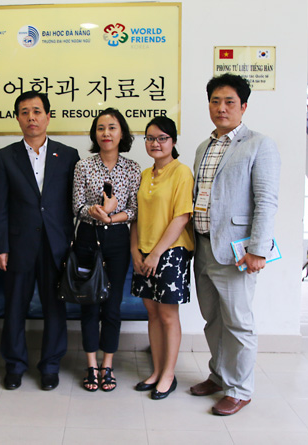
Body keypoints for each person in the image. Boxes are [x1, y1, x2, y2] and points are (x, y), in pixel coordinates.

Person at [191, 73, 280, 415]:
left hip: (237, 253)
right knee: (212, 319)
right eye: (215, 101)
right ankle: (219, 376)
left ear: (243, 106)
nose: (221, 108)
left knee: (238, 322)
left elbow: (266, 200)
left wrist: (258, 250)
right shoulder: (203, 147)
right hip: (203, 247)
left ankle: (240, 390)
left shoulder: (259, 144)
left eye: (229, 102)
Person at [0, 91, 80, 391]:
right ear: (17, 118)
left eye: (37, 111)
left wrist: (72, 242)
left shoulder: (68, 155)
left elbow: (72, 202)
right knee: (15, 307)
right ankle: (15, 366)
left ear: (48, 117)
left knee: (55, 308)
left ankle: (50, 366)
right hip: (19, 245)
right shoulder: (4, 156)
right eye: (25, 112)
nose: (31, 117)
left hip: (57, 245)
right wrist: (0, 245)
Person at [72, 108, 140, 392]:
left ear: (121, 133)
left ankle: (107, 364)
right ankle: (90, 364)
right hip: (88, 237)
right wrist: (94, 211)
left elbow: (134, 209)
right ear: (95, 134)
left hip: (117, 240)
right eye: (100, 128)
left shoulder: (132, 168)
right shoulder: (83, 166)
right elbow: (76, 206)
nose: (106, 133)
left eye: (112, 127)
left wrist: (111, 217)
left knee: (112, 305)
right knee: (89, 302)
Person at [130, 116, 194, 400]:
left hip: (171, 253)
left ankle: (169, 374)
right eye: (150, 138)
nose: (155, 143)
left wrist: (156, 253)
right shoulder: (144, 174)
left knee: (168, 315)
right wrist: (135, 251)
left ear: (173, 141)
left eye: (162, 138)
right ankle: (156, 371)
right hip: (143, 252)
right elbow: (135, 217)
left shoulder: (181, 172)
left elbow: (182, 217)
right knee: (152, 313)